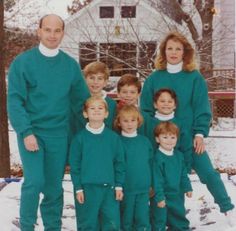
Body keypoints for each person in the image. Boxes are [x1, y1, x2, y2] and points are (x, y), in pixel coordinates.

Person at [7, 14, 90, 230]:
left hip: (59, 135)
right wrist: (25, 132)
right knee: (34, 182)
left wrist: (99, 130)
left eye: (57, 30)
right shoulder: (23, 63)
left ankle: (52, 226)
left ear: (63, 33)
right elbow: (15, 101)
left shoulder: (70, 66)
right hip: (32, 134)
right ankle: (27, 226)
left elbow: (82, 104)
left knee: (54, 188)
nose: (52, 35)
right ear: (39, 31)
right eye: (47, 30)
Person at [141, 32, 235, 220]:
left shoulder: (194, 78)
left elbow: (202, 107)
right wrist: (154, 138)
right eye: (169, 48)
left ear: (185, 52)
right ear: (163, 51)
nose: (173, 52)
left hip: (188, 139)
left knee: (209, 174)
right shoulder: (154, 78)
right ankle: (160, 219)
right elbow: (145, 111)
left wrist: (199, 133)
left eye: (178, 49)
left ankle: (228, 209)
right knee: (164, 182)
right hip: (161, 141)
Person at [69, 96, 125, 230]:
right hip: (87, 190)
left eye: (100, 108)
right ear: (85, 113)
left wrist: (119, 186)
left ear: (106, 114)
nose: (96, 111)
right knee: (88, 223)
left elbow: (119, 163)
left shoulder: (113, 138)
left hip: (109, 190)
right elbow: (75, 166)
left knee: (111, 223)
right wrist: (78, 188)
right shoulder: (79, 139)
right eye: (92, 108)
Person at [114, 105, 153, 231]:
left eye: (133, 120)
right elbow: (115, 166)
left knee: (142, 219)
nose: (129, 124)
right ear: (119, 123)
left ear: (138, 121)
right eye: (125, 121)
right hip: (126, 188)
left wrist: (152, 184)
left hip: (143, 188)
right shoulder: (117, 141)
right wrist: (118, 185)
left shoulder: (145, 141)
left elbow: (151, 164)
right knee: (126, 220)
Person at [152, 121, 192, 231]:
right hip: (163, 195)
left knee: (179, 215)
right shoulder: (157, 158)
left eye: (172, 137)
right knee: (159, 218)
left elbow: (183, 174)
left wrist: (187, 187)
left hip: (177, 193)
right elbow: (157, 180)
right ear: (157, 139)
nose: (169, 140)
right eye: (165, 137)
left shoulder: (179, 156)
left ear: (177, 139)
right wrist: (159, 197)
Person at [144, 88, 192, 172]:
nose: (166, 104)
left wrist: (186, 168)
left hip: (174, 167)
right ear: (155, 104)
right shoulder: (148, 123)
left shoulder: (180, 124)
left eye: (170, 102)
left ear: (175, 105)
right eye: (162, 101)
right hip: (153, 167)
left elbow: (186, 148)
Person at [83, 61, 117, 129]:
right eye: (92, 78)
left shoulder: (112, 104)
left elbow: (114, 128)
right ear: (85, 80)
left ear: (105, 82)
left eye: (100, 78)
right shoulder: (79, 101)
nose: (95, 82)